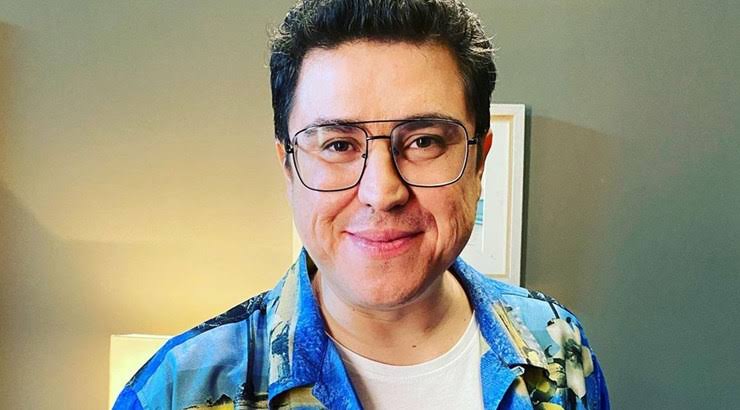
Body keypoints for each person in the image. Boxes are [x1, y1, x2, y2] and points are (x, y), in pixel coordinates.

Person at [113, 0, 609, 409]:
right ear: (289, 168)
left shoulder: (556, 343)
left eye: (424, 142)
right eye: (337, 145)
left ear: (479, 162)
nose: (382, 193)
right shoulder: (178, 390)